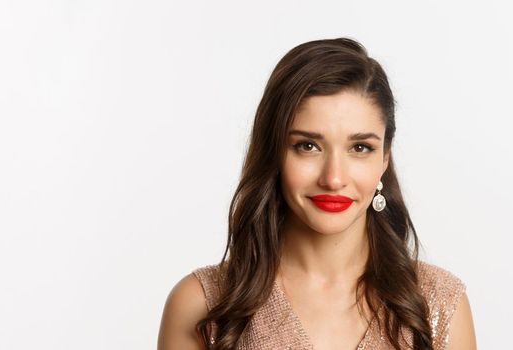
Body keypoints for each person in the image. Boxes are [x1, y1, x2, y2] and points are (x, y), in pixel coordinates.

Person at [157, 37, 476, 350]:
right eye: (307, 146)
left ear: (384, 159)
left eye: (360, 148)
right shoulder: (201, 306)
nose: (334, 178)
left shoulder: (439, 304)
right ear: (274, 154)